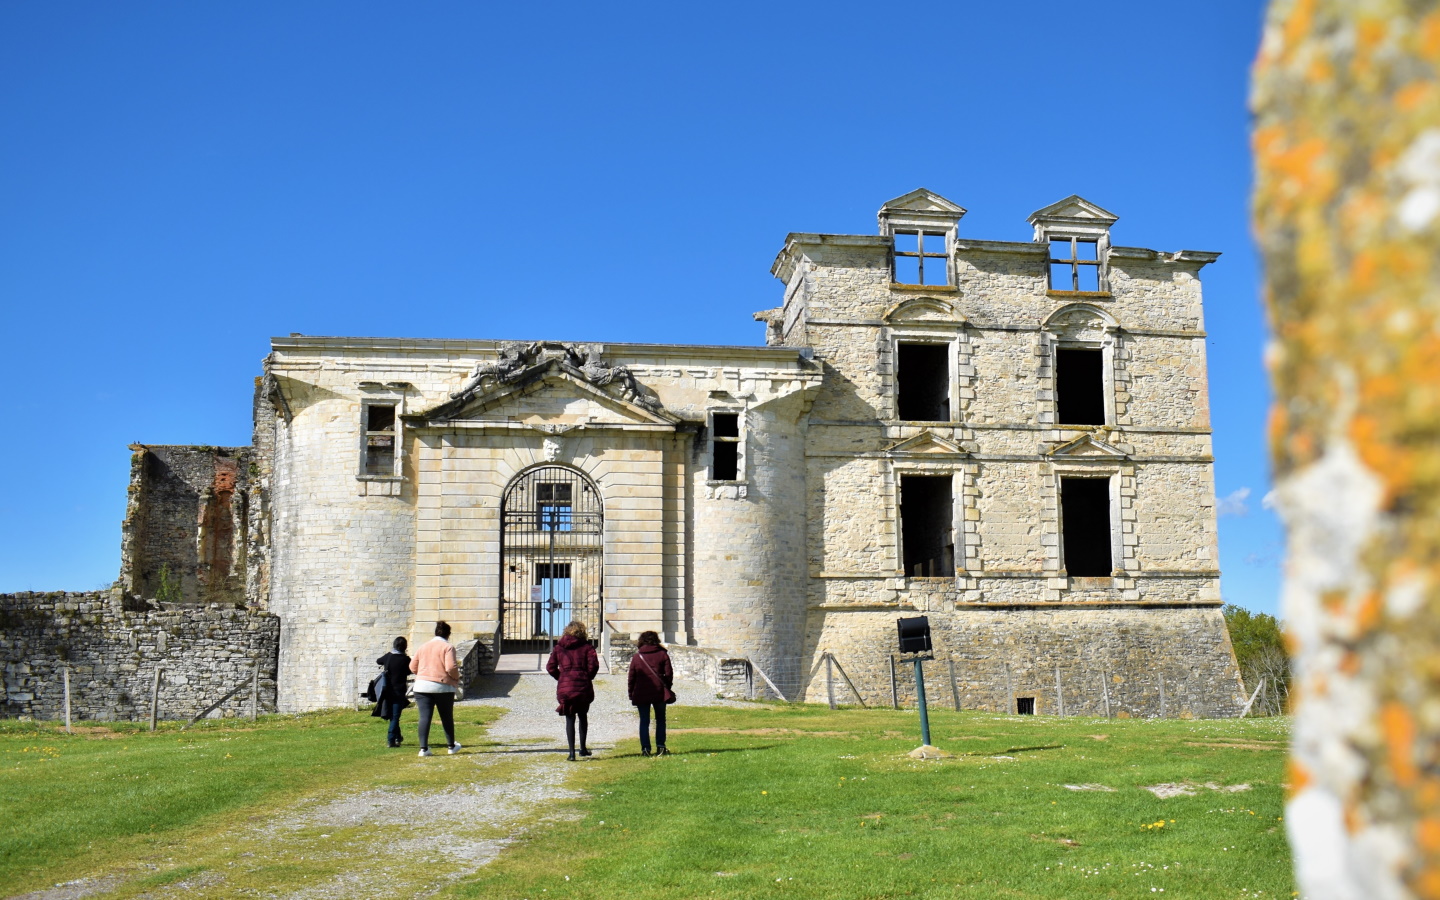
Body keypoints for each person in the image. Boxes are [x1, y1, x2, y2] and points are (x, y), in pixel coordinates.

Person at [546, 620, 599, 761]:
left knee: (569, 718)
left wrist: (562, 678)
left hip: (566, 687)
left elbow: (550, 667)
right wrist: (587, 677)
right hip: (582, 685)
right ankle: (582, 748)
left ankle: (571, 753)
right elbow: (593, 666)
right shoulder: (587, 647)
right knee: (582, 716)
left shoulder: (559, 648)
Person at [409, 621, 462, 757]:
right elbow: (451, 667)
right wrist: (456, 677)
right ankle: (451, 746)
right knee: (446, 716)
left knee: (424, 717)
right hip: (442, 685)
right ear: (448, 634)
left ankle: (423, 748)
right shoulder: (448, 647)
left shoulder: (423, 646)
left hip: (421, 685)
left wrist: (423, 674)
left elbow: (412, 666)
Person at [627, 630, 673, 757]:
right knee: (660, 720)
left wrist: (631, 693)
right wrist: (667, 687)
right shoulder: (663, 654)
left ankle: (645, 749)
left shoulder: (637, 657)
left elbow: (631, 677)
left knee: (644, 721)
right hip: (659, 691)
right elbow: (669, 674)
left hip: (641, 692)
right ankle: (661, 746)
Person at [371, 636, 411, 747]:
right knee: (395, 716)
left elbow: (378, 661)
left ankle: (398, 737)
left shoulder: (388, 656)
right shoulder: (405, 659)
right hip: (399, 691)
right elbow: (409, 671)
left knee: (394, 716)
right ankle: (391, 739)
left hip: (387, 691)